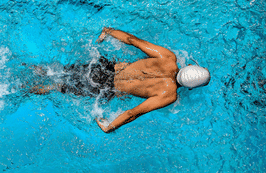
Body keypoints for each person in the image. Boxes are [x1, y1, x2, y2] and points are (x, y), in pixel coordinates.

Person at [31, 27, 210, 133]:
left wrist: (108, 31)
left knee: (56, 71)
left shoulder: (168, 58)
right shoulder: (169, 95)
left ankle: (31, 67)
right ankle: (25, 89)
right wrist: (110, 127)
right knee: (57, 87)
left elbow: (133, 40)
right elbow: (133, 113)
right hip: (106, 88)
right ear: (191, 87)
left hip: (104, 68)